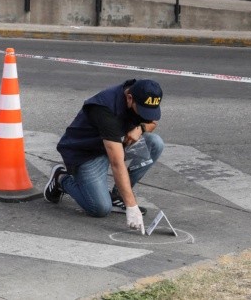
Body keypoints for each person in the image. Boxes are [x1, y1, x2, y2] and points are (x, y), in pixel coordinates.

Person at [43, 79, 164, 234]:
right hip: (86, 153)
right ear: (129, 98)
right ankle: (62, 179)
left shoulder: (143, 93)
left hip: (116, 144)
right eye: (142, 110)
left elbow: (153, 122)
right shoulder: (105, 109)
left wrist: (140, 128)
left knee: (155, 143)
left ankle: (118, 195)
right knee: (99, 208)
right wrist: (132, 206)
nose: (145, 114)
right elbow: (116, 163)